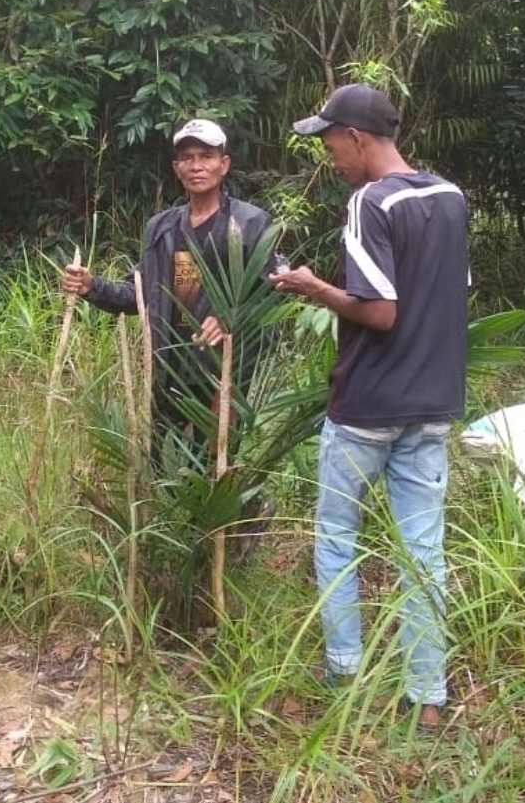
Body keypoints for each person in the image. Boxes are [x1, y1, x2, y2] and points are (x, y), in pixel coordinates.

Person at [272, 83, 469, 728]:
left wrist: (311, 286)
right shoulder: (450, 197)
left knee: (336, 539)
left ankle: (345, 671)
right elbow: (445, 293)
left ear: (356, 137)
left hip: (367, 407)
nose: (329, 153)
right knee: (423, 553)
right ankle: (427, 698)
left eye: (329, 140)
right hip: (433, 403)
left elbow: (380, 311)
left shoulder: (369, 202)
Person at [63, 118, 277, 559]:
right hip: (168, 365)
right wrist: (92, 287)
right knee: (163, 460)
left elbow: (275, 286)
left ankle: (240, 527)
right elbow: (139, 293)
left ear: (224, 164)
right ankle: (183, 550)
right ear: (177, 168)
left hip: (223, 370)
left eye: (206, 157)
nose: (196, 165)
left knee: (217, 459)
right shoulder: (161, 229)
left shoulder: (249, 224)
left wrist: (232, 317)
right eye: (187, 158)